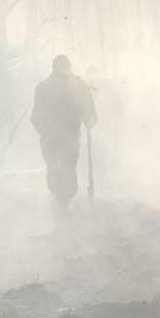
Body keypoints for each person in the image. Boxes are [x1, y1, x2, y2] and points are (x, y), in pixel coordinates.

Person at [31, 55, 96, 212]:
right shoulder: (78, 85)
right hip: (69, 136)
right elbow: (91, 116)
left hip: (50, 138)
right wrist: (88, 120)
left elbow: (35, 117)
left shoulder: (42, 87)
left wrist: (46, 132)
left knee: (54, 169)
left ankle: (59, 204)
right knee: (67, 169)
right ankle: (63, 205)